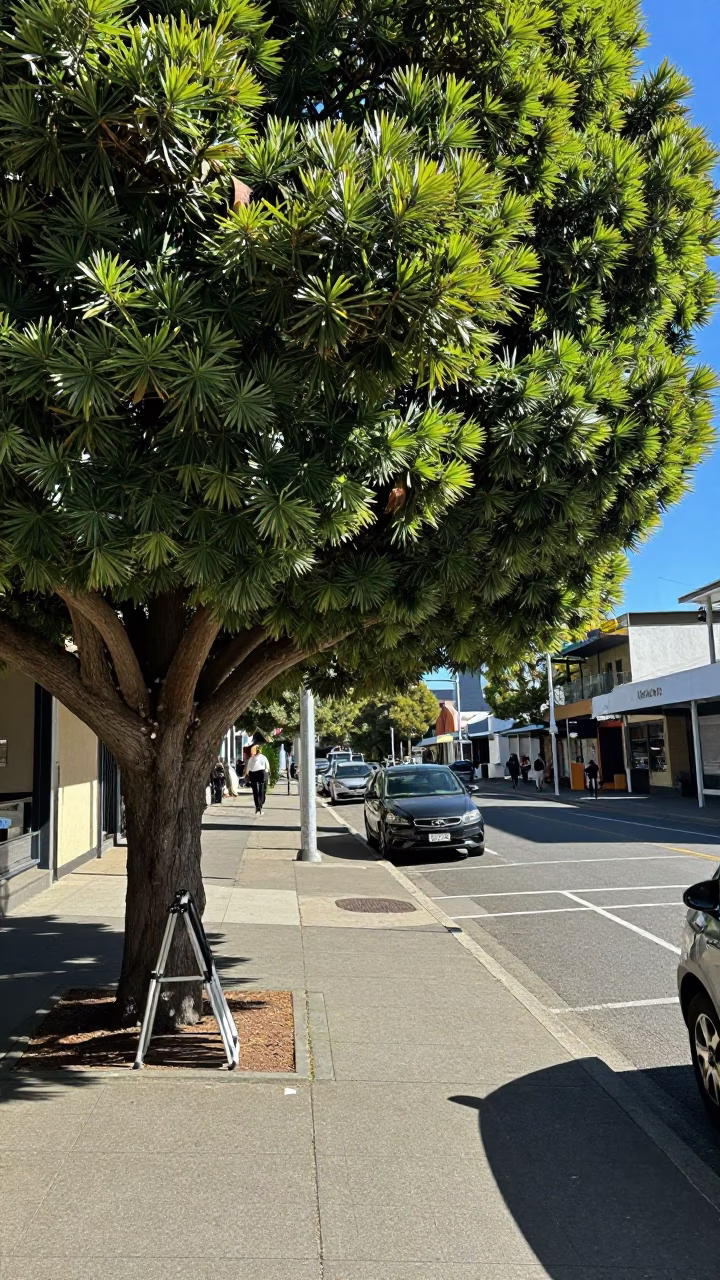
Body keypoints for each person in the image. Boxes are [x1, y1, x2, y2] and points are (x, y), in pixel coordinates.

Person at [245, 745, 270, 815]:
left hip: (253, 774)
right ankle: (260, 804)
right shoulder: (263, 757)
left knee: (255, 791)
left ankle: (257, 806)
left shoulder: (251, 758)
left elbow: (248, 769)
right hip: (261, 773)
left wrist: (247, 775)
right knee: (261, 789)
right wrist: (267, 773)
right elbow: (267, 766)